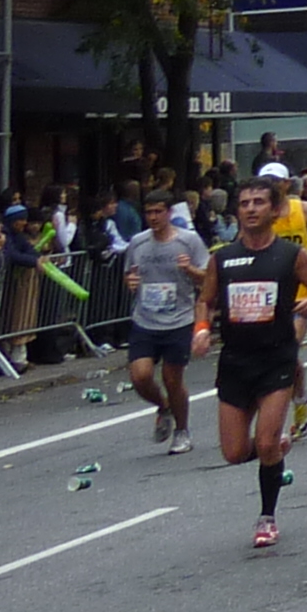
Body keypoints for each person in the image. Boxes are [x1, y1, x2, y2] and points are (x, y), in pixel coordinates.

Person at [198, 176, 307, 551]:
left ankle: (267, 516)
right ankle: (272, 448)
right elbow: (205, 301)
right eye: (245, 203)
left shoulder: (290, 255)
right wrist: (201, 330)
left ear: (274, 210)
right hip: (236, 361)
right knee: (234, 452)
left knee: (266, 443)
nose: (251, 209)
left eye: (258, 202)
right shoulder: (222, 258)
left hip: (276, 358)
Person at [119, 193, 207, 451]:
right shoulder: (138, 243)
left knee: (172, 379)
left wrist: (189, 270)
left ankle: (182, 431)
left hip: (179, 320)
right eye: (149, 212)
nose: (153, 217)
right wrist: (130, 282)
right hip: (145, 320)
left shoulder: (188, 240)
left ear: (169, 213)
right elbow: (129, 274)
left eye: (158, 211)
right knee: (140, 376)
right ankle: (163, 406)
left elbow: (207, 277)